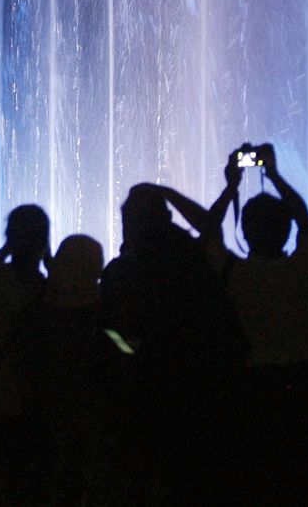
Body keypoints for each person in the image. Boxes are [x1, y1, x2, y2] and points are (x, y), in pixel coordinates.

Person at [101, 182, 246, 504]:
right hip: (201, 394)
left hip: (148, 398)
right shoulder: (192, 260)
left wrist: (133, 354)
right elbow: (209, 227)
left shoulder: (121, 273)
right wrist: (166, 192)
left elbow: (111, 333)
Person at [209, 146, 308, 506]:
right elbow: (306, 221)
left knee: (252, 478)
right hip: (300, 386)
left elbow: (209, 233)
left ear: (243, 229)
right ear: (286, 231)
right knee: (296, 479)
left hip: (249, 388)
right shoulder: (302, 270)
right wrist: (273, 174)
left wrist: (231, 186)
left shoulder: (233, 274)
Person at [10, 234, 120, 506]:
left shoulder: (33, 314)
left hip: (40, 422)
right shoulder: (104, 317)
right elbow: (125, 351)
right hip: (92, 423)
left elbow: (21, 364)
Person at [0, 204, 50, 504]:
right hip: (33, 407)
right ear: (44, 241)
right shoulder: (47, 290)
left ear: (9, 237)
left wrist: (6, 249)